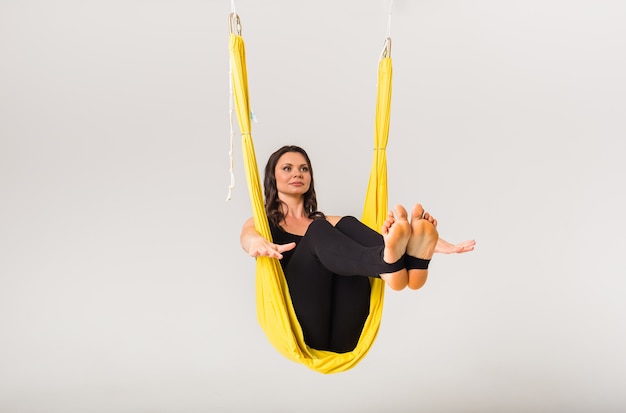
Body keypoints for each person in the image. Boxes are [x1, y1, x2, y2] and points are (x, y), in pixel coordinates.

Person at [240, 145, 475, 353]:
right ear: (272, 176)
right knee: (320, 229)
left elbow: (353, 235)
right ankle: (388, 263)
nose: (297, 174)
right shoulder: (264, 223)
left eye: (304, 169)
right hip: (302, 328)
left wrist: (433, 244)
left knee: (346, 224)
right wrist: (255, 243)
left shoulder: (330, 224)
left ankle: (410, 261)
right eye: (287, 168)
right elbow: (247, 235)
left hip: (345, 335)